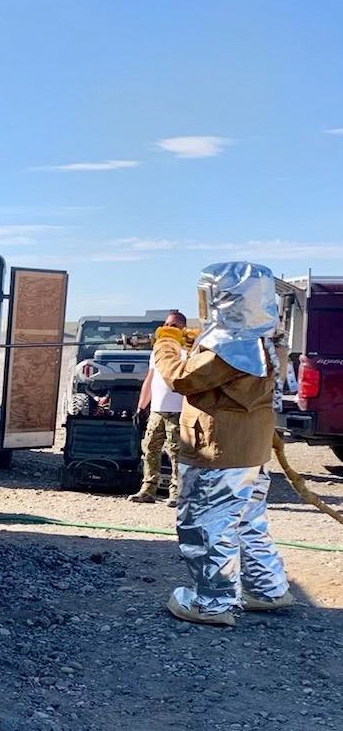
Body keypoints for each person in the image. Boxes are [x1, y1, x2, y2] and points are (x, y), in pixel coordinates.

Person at [153, 261, 291, 628]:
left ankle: (211, 602)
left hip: (220, 452)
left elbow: (181, 378)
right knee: (247, 522)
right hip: (251, 450)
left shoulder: (233, 346)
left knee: (206, 523)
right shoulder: (267, 337)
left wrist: (166, 343)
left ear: (225, 298)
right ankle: (267, 588)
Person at [128, 309, 187, 507]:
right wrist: (141, 406)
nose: (169, 329)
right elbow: (150, 379)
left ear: (183, 329)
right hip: (157, 409)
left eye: (174, 326)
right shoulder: (158, 351)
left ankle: (176, 492)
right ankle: (148, 489)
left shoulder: (187, 351)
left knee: (176, 452)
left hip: (178, 410)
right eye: (167, 325)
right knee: (150, 449)